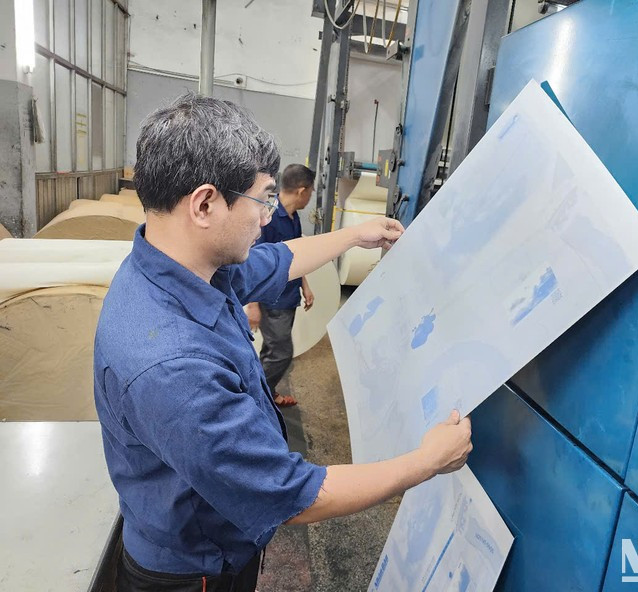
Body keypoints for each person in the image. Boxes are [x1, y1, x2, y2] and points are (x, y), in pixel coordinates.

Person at [93, 93, 472, 592]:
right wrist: (425, 462)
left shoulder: (178, 264)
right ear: (205, 203)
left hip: (203, 540)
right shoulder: (171, 366)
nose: (268, 216)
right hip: (194, 573)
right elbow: (293, 494)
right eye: (263, 199)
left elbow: (276, 261)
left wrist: (355, 235)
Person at [244, 164, 316, 407]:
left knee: (272, 351)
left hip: (287, 297)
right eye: (311, 191)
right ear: (301, 191)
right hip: (272, 299)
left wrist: (304, 285)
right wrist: (253, 305)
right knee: (282, 354)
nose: (310, 197)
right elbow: (252, 260)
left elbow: (295, 254)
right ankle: (255, 401)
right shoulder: (270, 217)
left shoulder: (293, 217)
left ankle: (267, 393)